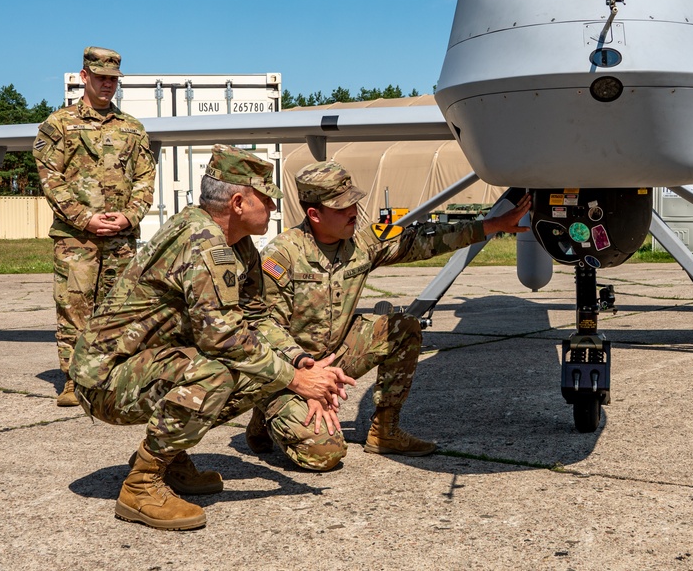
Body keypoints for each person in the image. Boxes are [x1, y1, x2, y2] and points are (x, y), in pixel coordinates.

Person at [70, 145, 355, 530]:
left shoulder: (237, 245)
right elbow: (224, 339)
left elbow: (256, 316)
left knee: (252, 368)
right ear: (238, 202)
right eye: (266, 200)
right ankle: (142, 483)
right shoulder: (202, 241)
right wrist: (297, 381)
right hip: (103, 377)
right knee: (218, 372)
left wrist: (297, 359)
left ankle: (172, 458)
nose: (272, 209)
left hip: (145, 362)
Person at [247, 160, 531, 471]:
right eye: (341, 208)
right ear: (314, 214)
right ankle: (266, 411)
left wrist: (492, 225)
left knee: (403, 328)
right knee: (325, 455)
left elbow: (424, 240)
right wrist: (305, 382)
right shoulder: (281, 257)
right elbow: (264, 331)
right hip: (289, 369)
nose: (353, 211)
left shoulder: (361, 243)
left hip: (334, 353)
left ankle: (385, 432)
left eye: (353, 202)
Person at [33, 47, 156, 406]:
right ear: (84, 76)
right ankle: (73, 380)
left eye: (113, 79)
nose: (107, 84)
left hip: (120, 236)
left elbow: (145, 178)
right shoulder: (57, 125)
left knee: (117, 308)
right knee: (75, 306)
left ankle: (109, 376)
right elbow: (50, 178)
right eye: (100, 77)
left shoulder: (132, 128)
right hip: (76, 238)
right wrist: (83, 217)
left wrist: (130, 215)